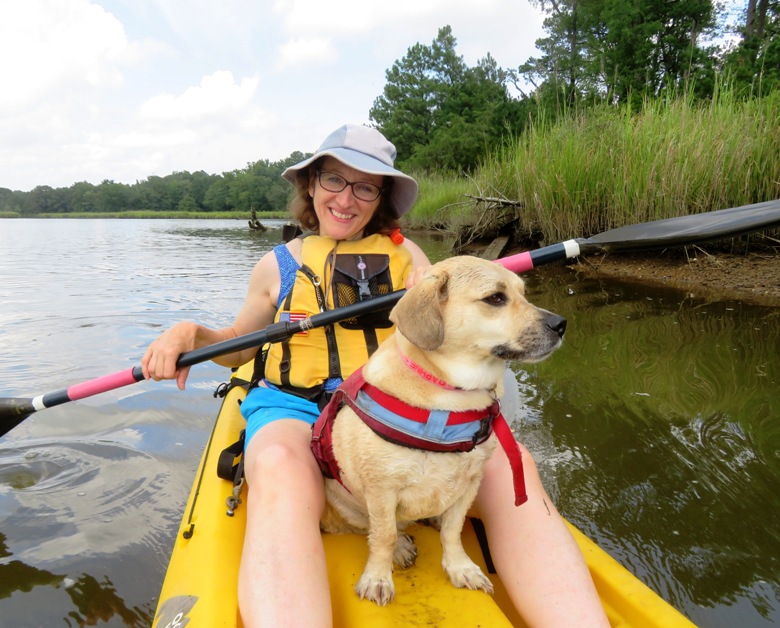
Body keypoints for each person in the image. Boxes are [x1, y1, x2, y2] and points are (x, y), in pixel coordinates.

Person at [142, 124, 609, 627]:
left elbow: (452, 333)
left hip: (392, 407)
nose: (346, 198)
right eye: (333, 180)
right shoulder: (276, 265)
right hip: (298, 407)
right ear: (311, 185)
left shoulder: (413, 261)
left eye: (365, 186)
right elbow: (239, 349)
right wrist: (191, 334)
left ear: (381, 197)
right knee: (279, 465)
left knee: (510, 468)